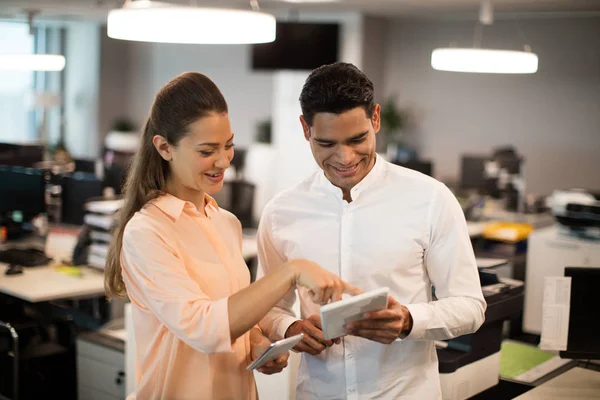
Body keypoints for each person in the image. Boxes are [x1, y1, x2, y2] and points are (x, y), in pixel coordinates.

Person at [103, 72, 359, 400]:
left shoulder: (225, 222)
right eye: (207, 150)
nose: (223, 161)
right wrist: (291, 271)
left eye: (228, 145)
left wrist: (258, 343)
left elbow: (233, 314)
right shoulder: (147, 231)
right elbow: (205, 329)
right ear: (165, 148)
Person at [257, 62, 487, 399]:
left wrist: (409, 321)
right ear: (305, 129)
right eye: (327, 144)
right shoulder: (281, 213)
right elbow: (268, 308)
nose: (345, 157)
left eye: (357, 139)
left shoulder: (430, 199)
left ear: (375, 118)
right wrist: (289, 327)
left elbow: (469, 306)